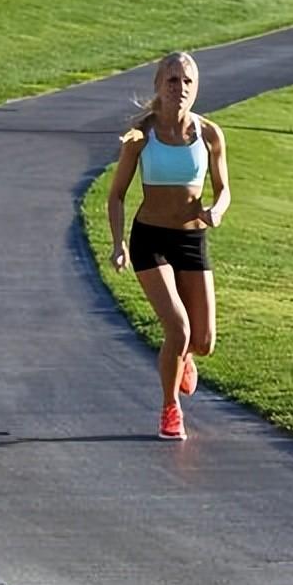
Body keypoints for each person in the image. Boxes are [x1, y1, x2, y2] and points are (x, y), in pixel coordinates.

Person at [106, 52, 230, 440]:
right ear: (158, 86)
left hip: (192, 239)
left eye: (187, 82)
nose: (180, 89)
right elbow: (116, 195)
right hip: (151, 240)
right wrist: (118, 243)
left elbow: (224, 189)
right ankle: (169, 409)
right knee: (177, 328)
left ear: (196, 88)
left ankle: (185, 359)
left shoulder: (210, 133)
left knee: (204, 341)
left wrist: (217, 210)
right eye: (172, 81)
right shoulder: (137, 134)